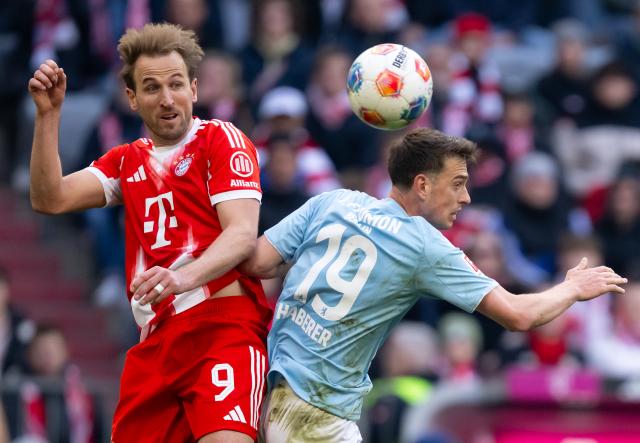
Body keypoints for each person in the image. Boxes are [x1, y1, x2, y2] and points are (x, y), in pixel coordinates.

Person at [239, 128, 627, 442]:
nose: (466, 197)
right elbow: (518, 315)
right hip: (318, 415)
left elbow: (257, 261)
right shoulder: (425, 245)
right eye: (457, 183)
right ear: (422, 185)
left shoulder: (331, 202)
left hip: (267, 392)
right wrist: (573, 287)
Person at [28, 23, 271, 442]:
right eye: (152, 87)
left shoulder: (221, 139)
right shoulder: (126, 161)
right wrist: (48, 117)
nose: (167, 98)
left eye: (176, 84)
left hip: (222, 328)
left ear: (194, 90)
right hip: (156, 341)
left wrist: (182, 278)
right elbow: (50, 198)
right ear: (132, 98)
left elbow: (242, 235)